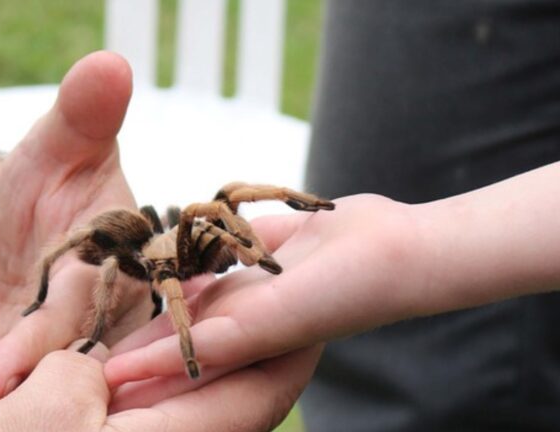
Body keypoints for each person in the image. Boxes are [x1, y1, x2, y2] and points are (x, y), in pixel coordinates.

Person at [0, 49, 311, 431]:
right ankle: (96, 317)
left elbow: (215, 212)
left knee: (213, 205)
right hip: (137, 258)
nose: (216, 236)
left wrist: (261, 249)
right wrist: (167, 340)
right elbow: (135, 267)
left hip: (157, 244)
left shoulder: (194, 230)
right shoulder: (147, 263)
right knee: (119, 261)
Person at [102, 2, 560, 431]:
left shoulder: (193, 230)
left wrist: (410, 246)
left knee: (451, 377)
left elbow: (214, 210)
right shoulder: (136, 258)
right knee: (341, 348)